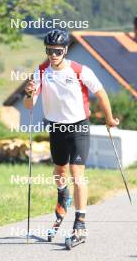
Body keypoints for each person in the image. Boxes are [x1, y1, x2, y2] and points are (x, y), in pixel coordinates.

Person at [24, 29, 119, 239]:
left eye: (57, 51)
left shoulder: (79, 70)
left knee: (77, 173)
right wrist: (29, 93)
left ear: (65, 50)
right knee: (59, 172)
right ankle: (62, 196)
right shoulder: (41, 72)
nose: (53, 55)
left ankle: (80, 222)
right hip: (57, 128)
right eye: (49, 50)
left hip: (79, 126)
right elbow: (29, 105)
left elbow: (101, 94)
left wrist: (109, 119)